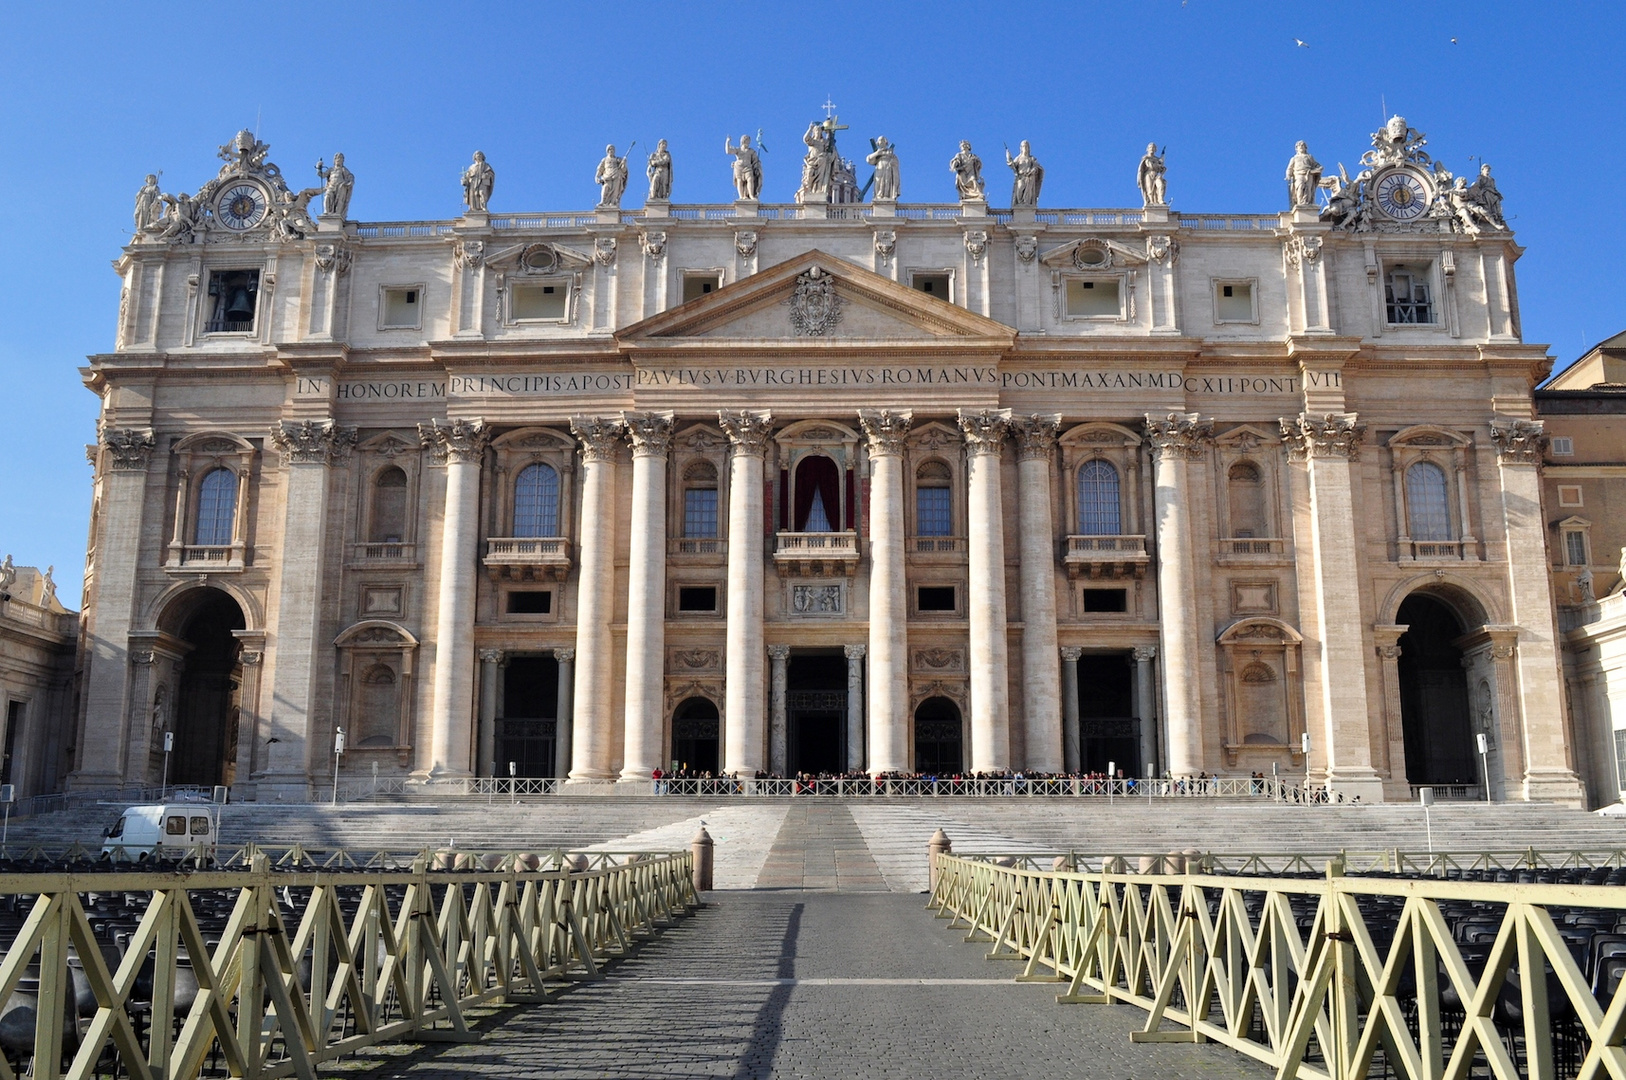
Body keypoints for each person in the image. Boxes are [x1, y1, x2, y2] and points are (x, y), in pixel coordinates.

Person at [1005, 140, 1044, 207]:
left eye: (1026, 146)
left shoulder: (1031, 158)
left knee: (1028, 194)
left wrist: (1034, 170)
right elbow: (1012, 165)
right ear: (1021, 148)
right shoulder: (1018, 158)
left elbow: (1037, 167)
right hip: (1021, 177)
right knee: (1019, 191)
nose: (1025, 148)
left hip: (1029, 178)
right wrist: (1008, 158)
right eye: (1023, 146)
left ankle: (1026, 205)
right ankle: (1019, 204)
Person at [1285, 141, 1322, 208]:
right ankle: (1300, 203)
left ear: (1305, 148)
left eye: (1303, 145)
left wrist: (1319, 168)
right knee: (1300, 187)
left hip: (1309, 174)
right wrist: (1288, 175)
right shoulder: (1294, 158)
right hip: (1299, 174)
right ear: (1297, 148)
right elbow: (1289, 168)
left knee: (1308, 189)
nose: (1301, 147)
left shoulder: (1309, 157)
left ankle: (1307, 203)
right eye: (1299, 146)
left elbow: (1316, 165)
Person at [317, 153, 354, 219]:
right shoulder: (331, 169)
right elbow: (322, 175)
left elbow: (350, 176)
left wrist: (350, 181)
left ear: (342, 161)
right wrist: (319, 168)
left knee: (339, 201)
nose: (338, 160)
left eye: (340, 159)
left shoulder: (344, 169)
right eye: (337, 159)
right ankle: (327, 212)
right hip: (331, 186)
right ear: (334, 161)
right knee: (327, 197)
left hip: (340, 186)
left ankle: (337, 215)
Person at [725, 134, 761, 200]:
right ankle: (741, 196)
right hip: (739, 167)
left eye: (749, 141)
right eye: (747, 140)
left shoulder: (751, 151)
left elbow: (755, 160)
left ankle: (751, 195)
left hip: (748, 167)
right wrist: (727, 141)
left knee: (750, 179)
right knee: (740, 181)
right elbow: (728, 151)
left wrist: (757, 166)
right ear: (743, 141)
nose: (748, 142)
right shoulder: (738, 150)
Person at [866, 136, 899, 200]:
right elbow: (869, 160)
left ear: (886, 142)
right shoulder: (877, 153)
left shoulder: (890, 153)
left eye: (883, 140)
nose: (881, 142)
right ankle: (879, 196)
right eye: (880, 140)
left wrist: (892, 161)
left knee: (887, 181)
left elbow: (896, 162)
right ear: (878, 143)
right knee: (878, 181)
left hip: (888, 168)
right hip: (879, 168)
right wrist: (877, 153)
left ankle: (886, 196)